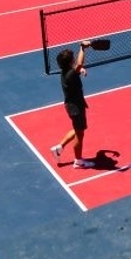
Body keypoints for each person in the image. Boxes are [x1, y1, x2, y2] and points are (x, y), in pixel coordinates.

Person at [51, 41, 94, 169]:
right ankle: (78, 161)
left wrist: (80, 70)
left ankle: (59, 147)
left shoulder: (66, 72)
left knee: (77, 129)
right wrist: (82, 48)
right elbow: (79, 64)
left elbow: (77, 67)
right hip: (76, 108)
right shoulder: (70, 74)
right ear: (70, 62)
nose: (75, 59)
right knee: (80, 134)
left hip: (72, 106)